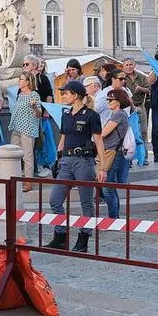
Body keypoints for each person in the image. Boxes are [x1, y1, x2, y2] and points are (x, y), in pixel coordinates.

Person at [47, 81, 107, 252]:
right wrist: (58, 158)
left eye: (65, 93)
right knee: (55, 200)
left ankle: (83, 239)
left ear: (75, 95)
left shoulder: (91, 115)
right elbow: (64, 137)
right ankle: (60, 236)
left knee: (86, 202)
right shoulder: (65, 114)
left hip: (84, 161)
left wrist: (103, 168)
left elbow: (99, 141)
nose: (63, 96)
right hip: (66, 161)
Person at [98, 88, 132, 220]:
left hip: (112, 153)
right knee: (110, 186)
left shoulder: (118, 115)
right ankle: (114, 217)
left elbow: (102, 133)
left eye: (110, 99)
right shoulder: (119, 114)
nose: (108, 101)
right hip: (113, 152)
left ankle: (113, 218)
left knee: (107, 187)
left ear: (118, 101)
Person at [7, 72, 41, 192]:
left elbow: (39, 114)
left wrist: (34, 107)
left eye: (21, 79)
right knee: (13, 155)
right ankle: (10, 181)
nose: (19, 81)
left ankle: (28, 183)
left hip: (27, 129)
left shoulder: (34, 95)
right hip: (16, 128)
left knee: (27, 156)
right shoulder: (19, 94)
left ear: (27, 82)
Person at [121, 57, 149, 145]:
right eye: (127, 65)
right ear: (123, 66)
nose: (129, 67)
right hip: (126, 108)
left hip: (140, 106)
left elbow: (149, 90)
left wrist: (142, 89)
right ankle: (131, 154)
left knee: (143, 131)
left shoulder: (141, 77)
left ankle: (144, 156)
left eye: (131, 65)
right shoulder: (120, 78)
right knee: (129, 131)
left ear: (134, 65)